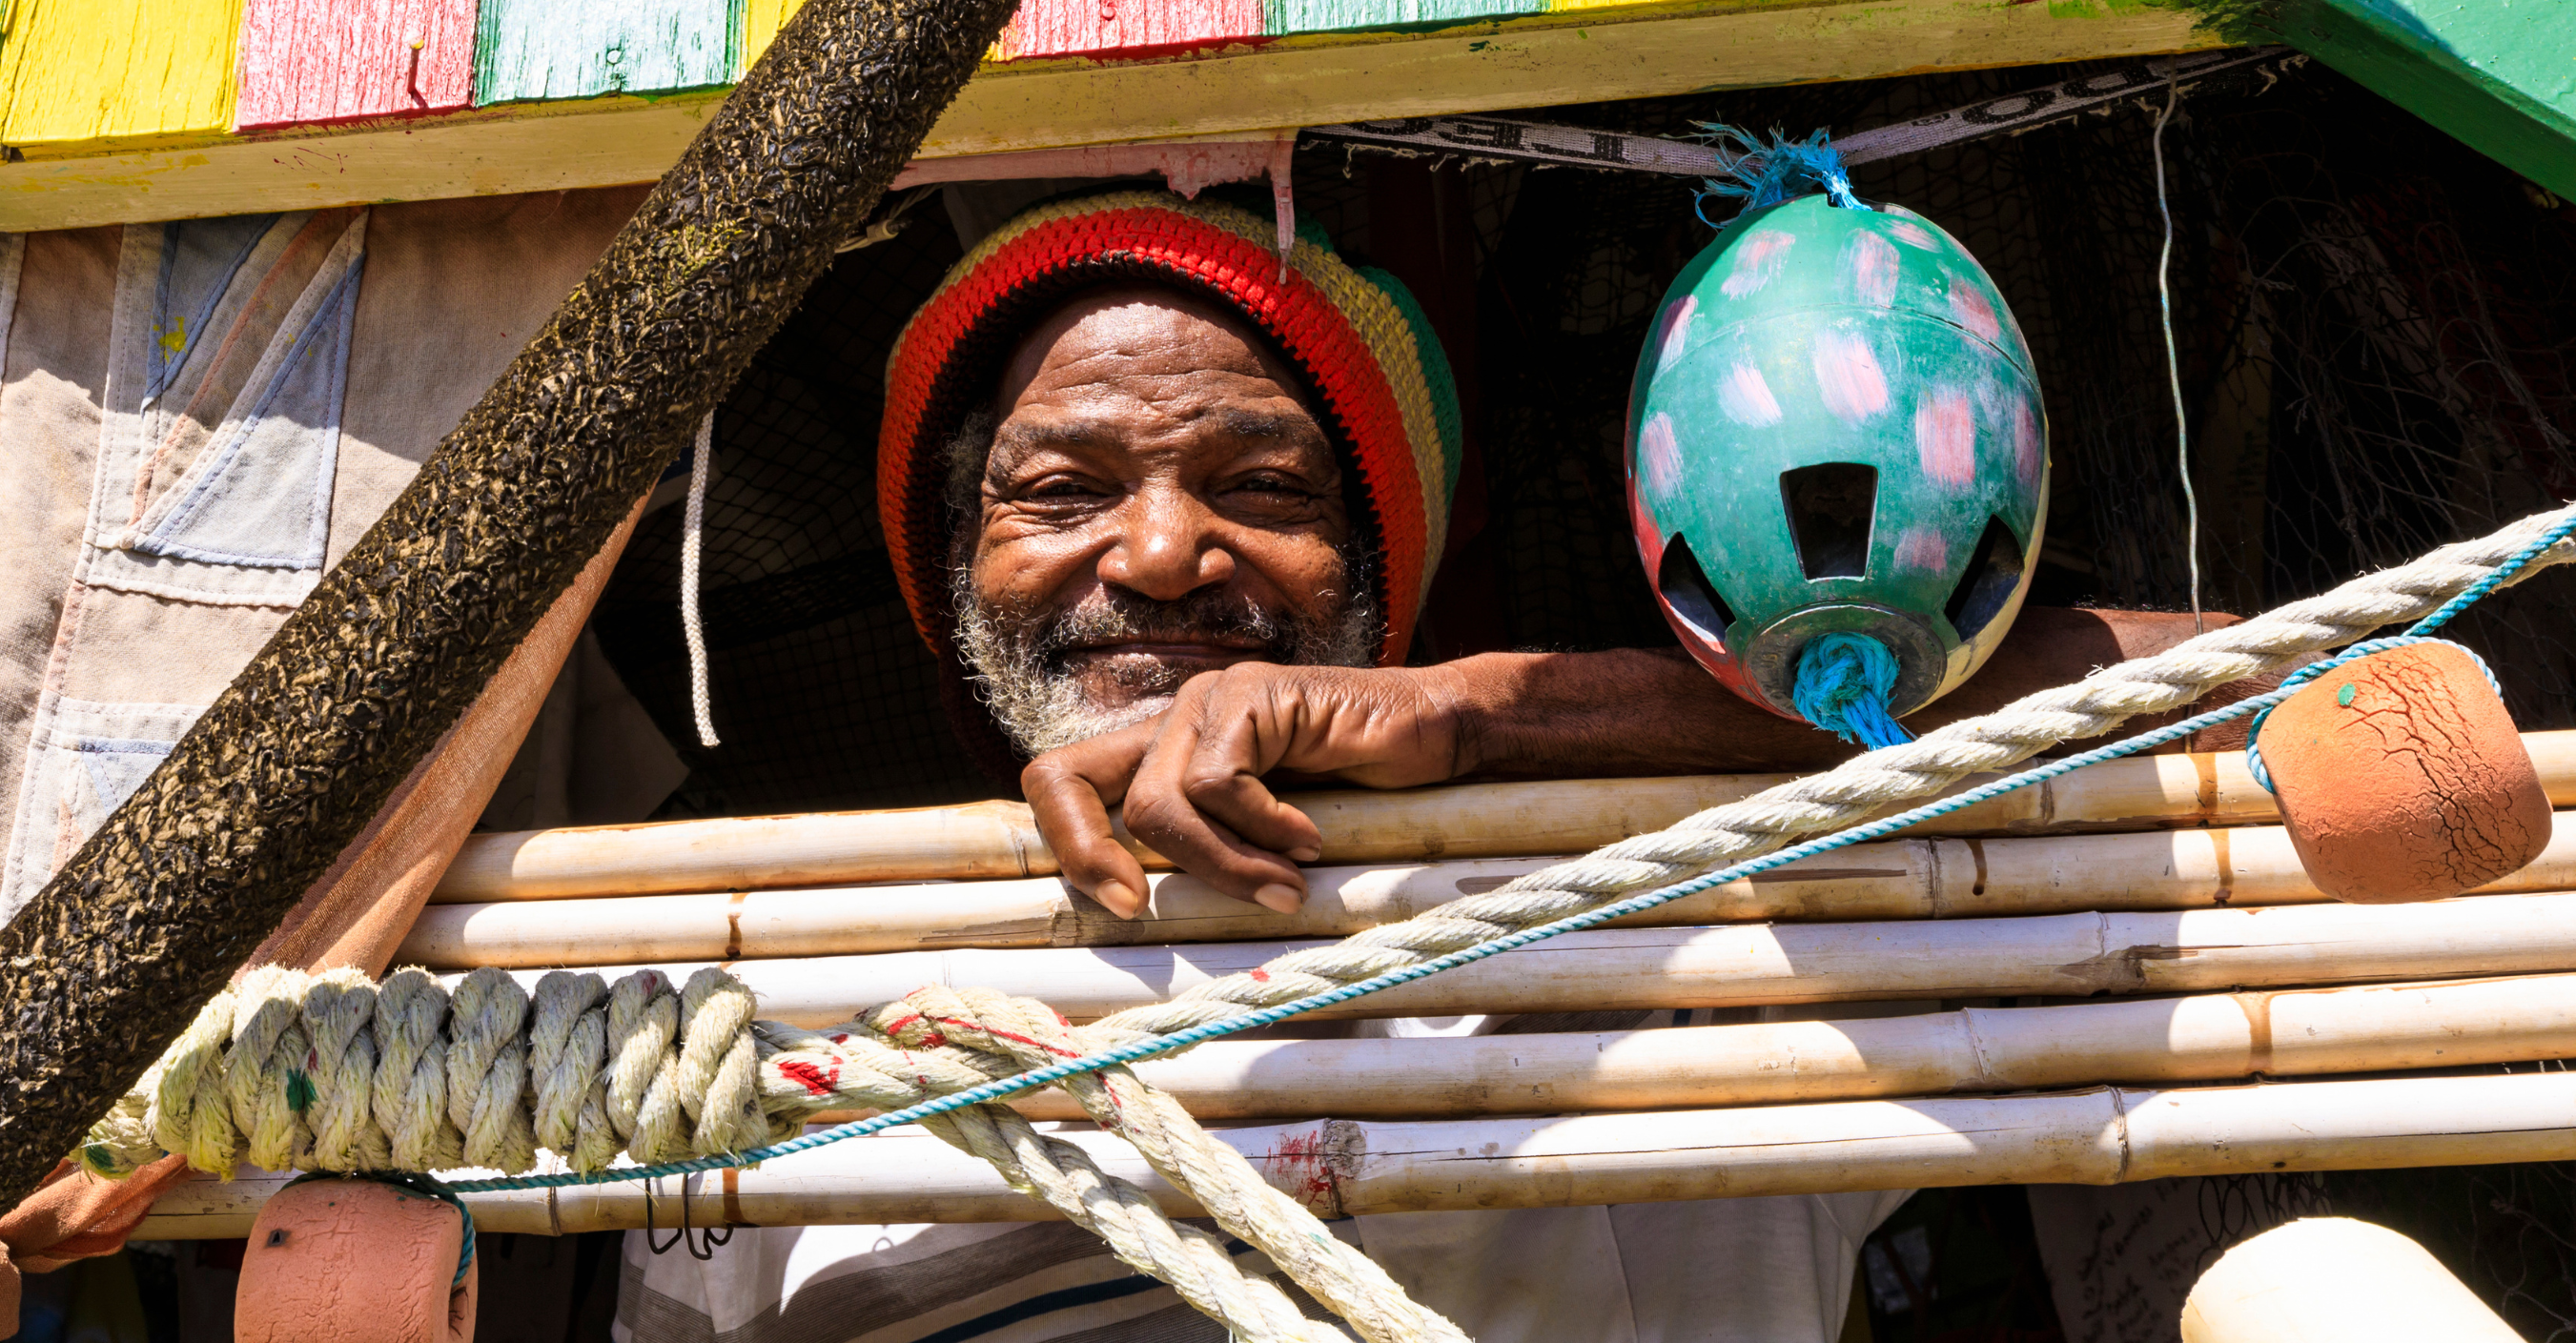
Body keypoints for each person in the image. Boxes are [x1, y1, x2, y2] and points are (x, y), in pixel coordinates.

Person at [622, 189, 2230, 1343]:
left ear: (1375, 564)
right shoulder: (772, 1024)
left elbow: (2308, 683)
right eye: (1061, 490)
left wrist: (1487, 715)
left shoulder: (1662, 918)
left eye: (1261, 481)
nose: (1167, 549)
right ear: (959, 570)